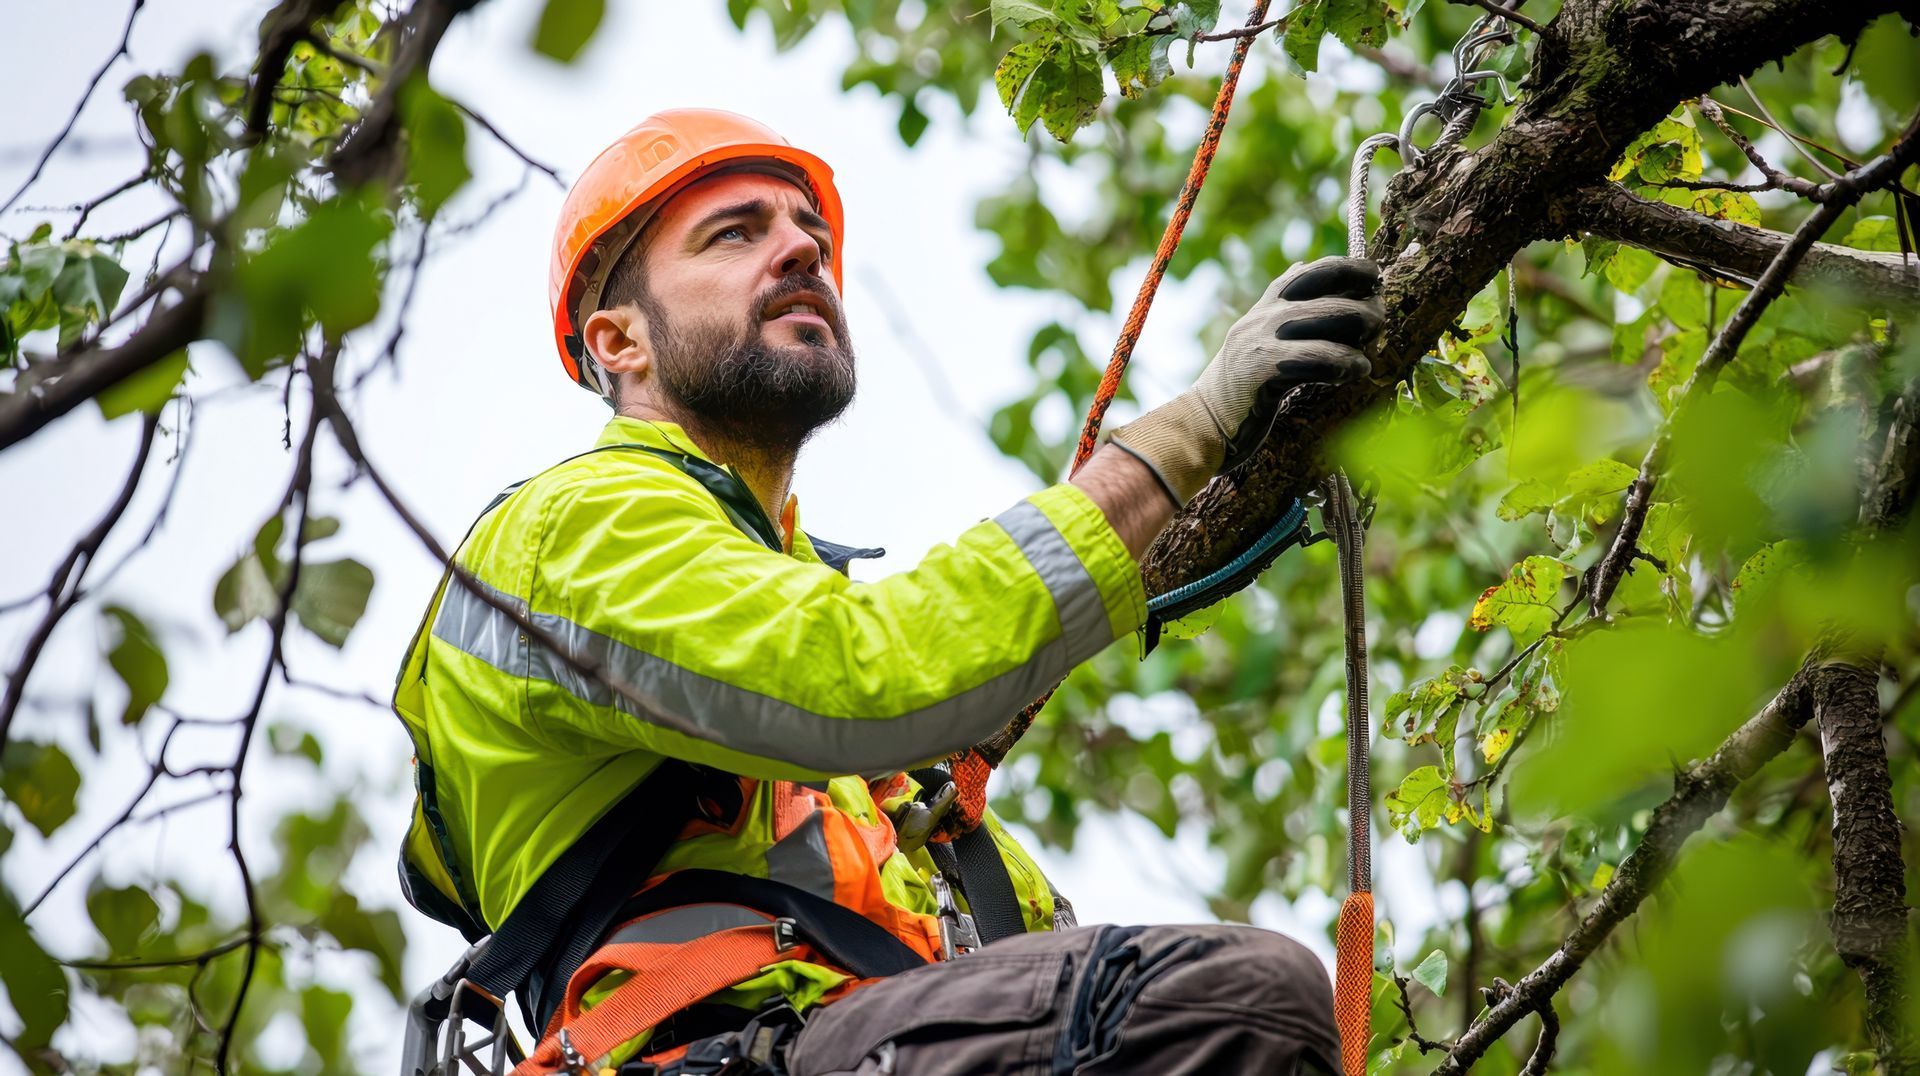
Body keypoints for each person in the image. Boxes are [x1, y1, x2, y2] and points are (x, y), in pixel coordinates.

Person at [392, 108, 1381, 1076]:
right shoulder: (577, 527)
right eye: (734, 234)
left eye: (807, 232)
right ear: (619, 342)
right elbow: (867, 671)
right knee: (1238, 997)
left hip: (857, 1030)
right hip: (726, 1046)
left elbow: (1041, 946)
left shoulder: (850, 770)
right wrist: (1189, 431)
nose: (799, 251)